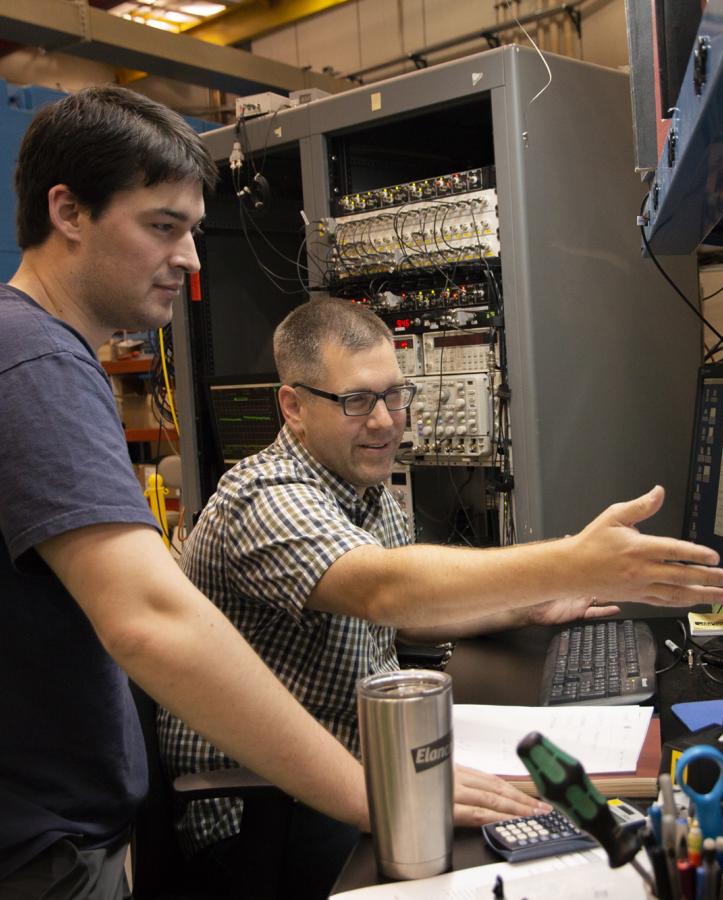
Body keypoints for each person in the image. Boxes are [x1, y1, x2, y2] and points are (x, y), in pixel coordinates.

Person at [0, 86, 544, 900]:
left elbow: (403, 602)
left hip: (70, 824)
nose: (189, 258)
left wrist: (536, 599)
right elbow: (147, 620)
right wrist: (371, 793)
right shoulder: (36, 362)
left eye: (190, 230)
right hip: (56, 841)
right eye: (162, 226)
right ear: (68, 211)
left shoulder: (43, 356)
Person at [159, 297, 723, 887]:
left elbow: (399, 623)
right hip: (265, 817)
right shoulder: (263, 497)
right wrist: (573, 565)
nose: (384, 421)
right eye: (356, 401)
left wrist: (522, 608)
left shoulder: (364, 491)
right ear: (294, 406)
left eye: (393, 394)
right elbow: (384, 593)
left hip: (358, 767)